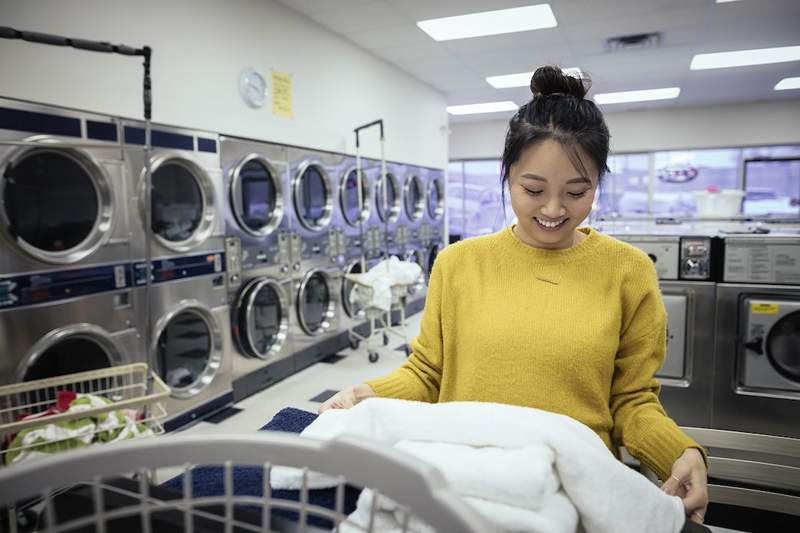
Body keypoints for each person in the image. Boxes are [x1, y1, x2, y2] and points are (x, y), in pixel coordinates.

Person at [320, 65, 709, 527]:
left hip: (573, 493)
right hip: (459, 484)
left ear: (597, 185)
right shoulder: (459, 263)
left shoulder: (628, 272)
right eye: (533, 189)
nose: (552, 209)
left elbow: (631, 399)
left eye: (576, 192)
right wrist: (367, 394)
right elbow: (427, 374)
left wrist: (679, 450)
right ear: (507, 175)